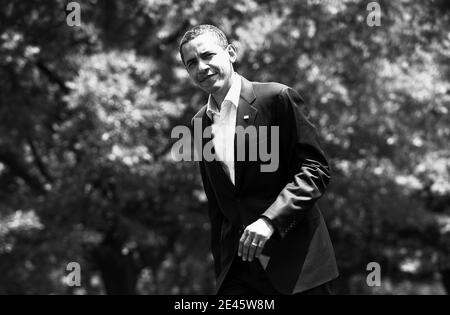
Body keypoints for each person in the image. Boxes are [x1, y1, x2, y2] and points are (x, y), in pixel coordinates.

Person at [180, 24, 339, 295]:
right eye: (192, 63)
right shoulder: (198, 124)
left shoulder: (277, 99)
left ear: (230, 53)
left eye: (208, 56)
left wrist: (269, 221)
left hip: (298, 266)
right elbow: (218, 205)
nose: (202, 67)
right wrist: (222, 273)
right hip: (239, 274)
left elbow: (315, 170)